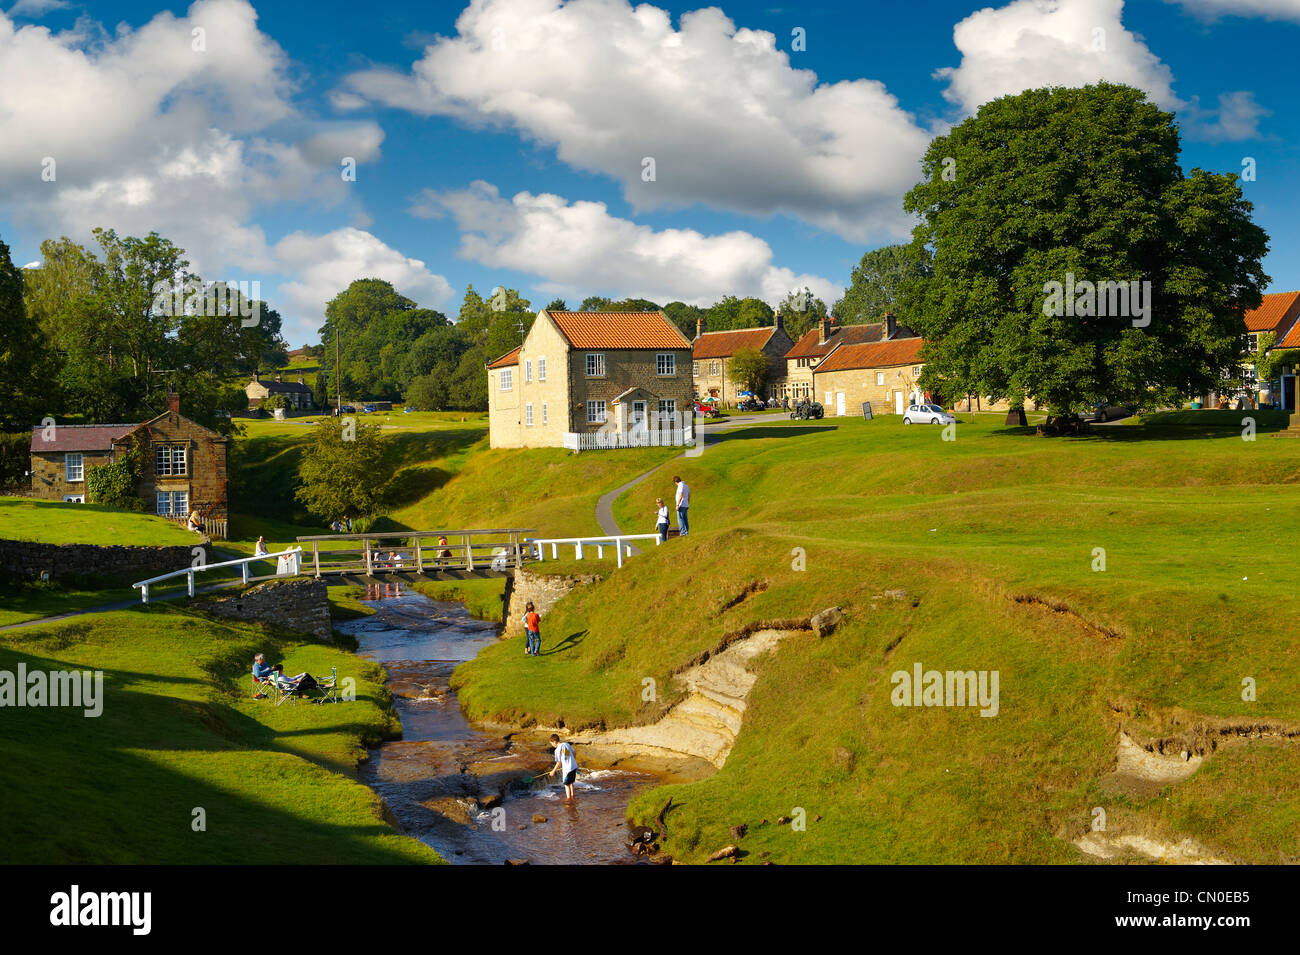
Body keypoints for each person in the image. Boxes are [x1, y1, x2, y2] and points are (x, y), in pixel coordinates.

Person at [547, 733, 579, 802]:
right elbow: (574, 753)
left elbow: (559, 763)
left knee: (566, 785)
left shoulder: (557, 750)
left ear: (554, 742)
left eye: (552, 744)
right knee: (571, 783)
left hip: (567, 770)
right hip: (573, 767)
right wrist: (572, 761)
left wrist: (553, 771)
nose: (552, 745)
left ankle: (568, 800)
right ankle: (573, 797)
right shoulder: (566, 744)